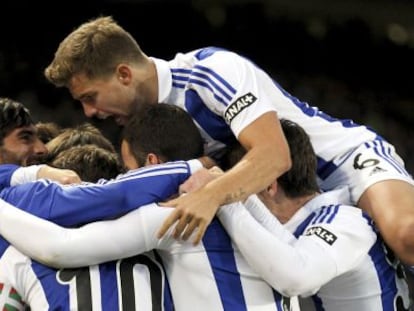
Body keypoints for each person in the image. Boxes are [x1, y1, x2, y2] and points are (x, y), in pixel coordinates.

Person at [43, 16, 414, 265]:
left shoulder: (211, 72)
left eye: (90, 97)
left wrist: (209, 194)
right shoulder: (146, 127)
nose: (89, 113)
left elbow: (273, 155)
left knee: (406, 234)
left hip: (343, 161)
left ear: (124, 74)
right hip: (284, 201)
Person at [0, 104, 298, 310]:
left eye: (129, 170)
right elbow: (302, 276)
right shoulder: (255, 209)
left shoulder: (172, 215)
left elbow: (61, 246)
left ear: (151, 163)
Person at [214, 119, 411, 310]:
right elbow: (288, 247)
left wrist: (221, 200)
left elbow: (296, 278)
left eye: (240, 188)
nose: (239, 195)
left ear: (268, 186)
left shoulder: (345, 221)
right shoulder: (316, 221)